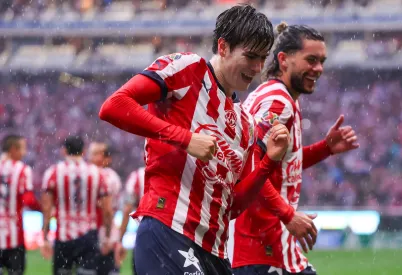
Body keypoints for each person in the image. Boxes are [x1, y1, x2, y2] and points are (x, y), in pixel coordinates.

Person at [98, 4, 292, 275]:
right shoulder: (188, 68)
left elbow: (232, 206)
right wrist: (185, 138)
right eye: (250, 56)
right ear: (223, 47)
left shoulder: (246, 124)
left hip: (215, 253)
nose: (257, 67)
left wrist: (268, 162)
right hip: (168, 230)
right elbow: (114, 106)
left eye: (262, 58)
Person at [232, 23, 360, 275]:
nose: (319, 69)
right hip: (259, 249)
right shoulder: (278, 103)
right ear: (283, 60)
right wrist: (288, 214)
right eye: (311, 60)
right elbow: (250, 168)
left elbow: (281, 164)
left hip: (272, 248)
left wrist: (325, 148)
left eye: (322, 61)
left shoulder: (280, 97)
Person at [40, 136, 113, 275]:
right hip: (88, 236)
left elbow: (47, 208)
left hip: (63, 235)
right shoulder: (97, 173)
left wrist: (45, 237)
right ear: (84, 151)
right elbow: (107, 210)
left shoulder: (53, 173)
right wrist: (107, 236)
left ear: (64, 151)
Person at [0, 134, 41, 275]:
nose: (24, 153)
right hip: (13, 236)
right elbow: (28, 200)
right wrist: (42, 208)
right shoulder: (22, 170)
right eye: (22, 149)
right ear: (13, 149)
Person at [87, 142, 122, 275]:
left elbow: (109, 209)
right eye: (92, 153)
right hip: (91, 230)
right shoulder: (88, 174)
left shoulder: (109, 177)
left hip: (101, 230)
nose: (93, 157)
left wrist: (108, 236)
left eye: (97, 153)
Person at [116, 166, 145, 274]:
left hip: (144, 235)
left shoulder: (137, 176)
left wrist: (120, 240)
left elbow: (127, 209)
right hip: (170, 235)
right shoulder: (172, 172)